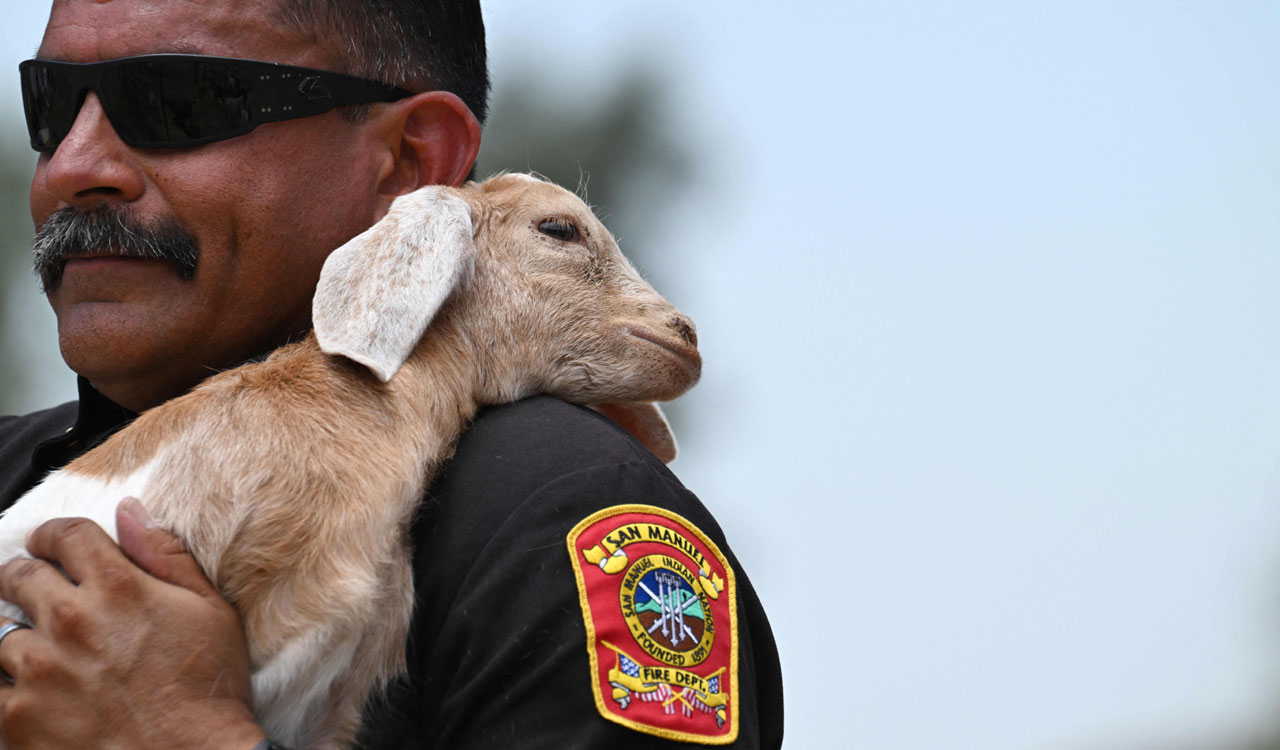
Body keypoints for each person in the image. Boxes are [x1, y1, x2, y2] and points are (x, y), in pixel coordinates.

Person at [0, 1, 783, 748]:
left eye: (176, 100)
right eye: (52, 107)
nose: (73, 166)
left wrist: (186, 737)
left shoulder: (552, 510)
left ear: (410, 163)